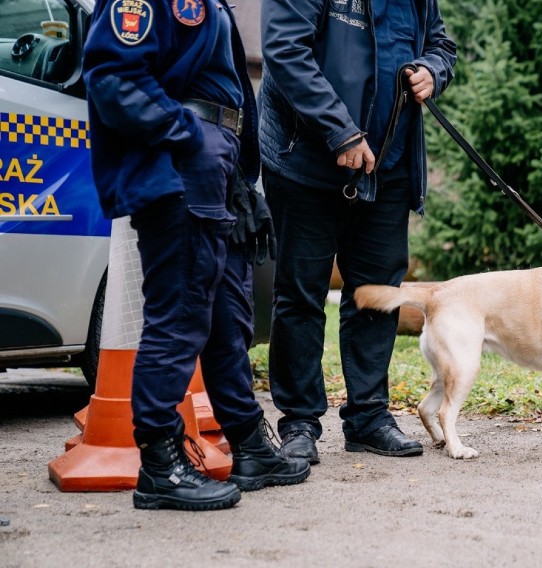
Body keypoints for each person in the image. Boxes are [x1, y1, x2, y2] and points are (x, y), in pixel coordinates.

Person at [83, 0, 310, 511]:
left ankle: (249, 442)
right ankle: (161, 466)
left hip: (217, 166)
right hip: (182, 164)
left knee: (227, 315)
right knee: (182, 312)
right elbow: (112, 76)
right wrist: (190, 137)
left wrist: (238, 176)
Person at [259, 0, 457, 463]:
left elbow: (441, 44)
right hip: (306, 160)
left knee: (376, 293)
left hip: (386, 166)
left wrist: (432, 69)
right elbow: (286, 51)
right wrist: (339, 131)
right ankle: (299, 422)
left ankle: (368, 417)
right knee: (300, 294)